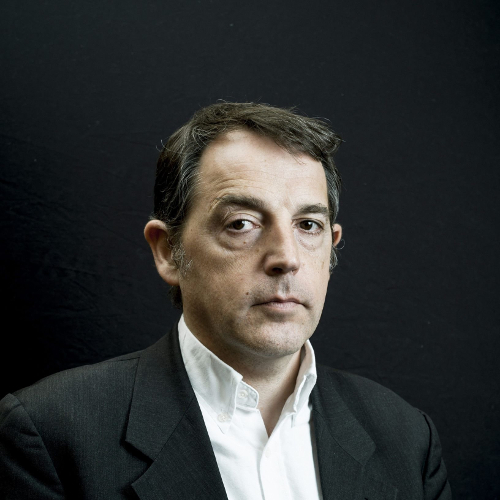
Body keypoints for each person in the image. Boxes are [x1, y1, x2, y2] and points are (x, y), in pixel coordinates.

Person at [0, 102, 451, 499]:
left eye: (308, 226)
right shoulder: (49, 433)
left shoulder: (406, 438)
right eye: (241, 223)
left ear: (331, 248)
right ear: (168, 251)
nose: (287, 258)